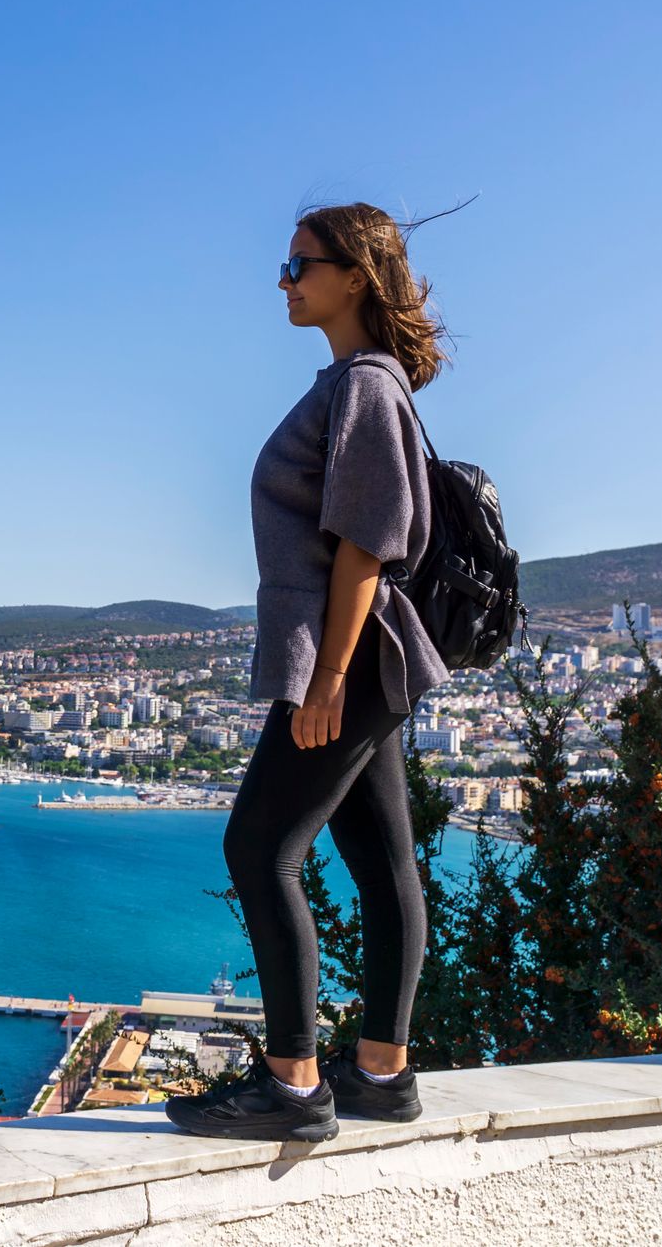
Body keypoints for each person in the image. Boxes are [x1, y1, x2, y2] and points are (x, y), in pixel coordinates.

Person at [167, 201, 453, 1142]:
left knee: (258, 849)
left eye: (300, 264)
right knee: (382, 865)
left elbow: (366, 549)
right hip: (366, 656)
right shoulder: (352, 382)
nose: (283, 281)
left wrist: (327, 677)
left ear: (356, 275)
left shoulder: (366, 383)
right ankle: (382, 1073)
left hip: (350, 655)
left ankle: (294, 1085)